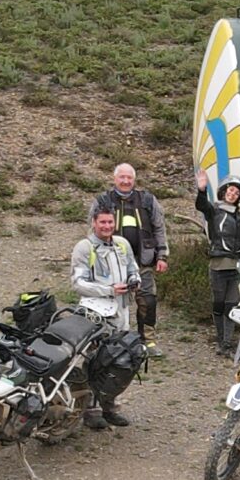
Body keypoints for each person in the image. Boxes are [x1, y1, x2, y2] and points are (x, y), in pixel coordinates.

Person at [69, 210, 142, 429]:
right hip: (95, 314)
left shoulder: (122, 244)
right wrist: (108, 290)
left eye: (110, 222)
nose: (107, 226)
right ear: (93, 223)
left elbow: (132, 266)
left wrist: (134, 279)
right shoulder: (84, 248)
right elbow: (77, 282)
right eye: (102, 222)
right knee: (94, 360)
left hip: (121, 311)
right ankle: (91, 410)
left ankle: (110, 406)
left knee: (119, 360)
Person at [89, 164, 168, 351]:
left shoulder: (148, 200)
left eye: (129, 178)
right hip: (111, 262)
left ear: (134, 179)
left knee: (148, 301)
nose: (125, 181)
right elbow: (92, 228)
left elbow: (159, 228)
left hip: (144, 261)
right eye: (122, 177)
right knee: (111, 301)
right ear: (114, 178)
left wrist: (162, 255)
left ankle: (146, 340)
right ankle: (112, 340)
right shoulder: (102, 200)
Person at [194, 170, 240, 352]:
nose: (232, 194)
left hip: (237, 268)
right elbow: (201, 205)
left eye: (236, 192)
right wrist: (201, 190)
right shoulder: (214, 211)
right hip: (218, 266)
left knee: (231, 305)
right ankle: (220, 340)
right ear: (223, 191)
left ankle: (226, 343)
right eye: (230, 190)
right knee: (218, 304)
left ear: (239, 196)